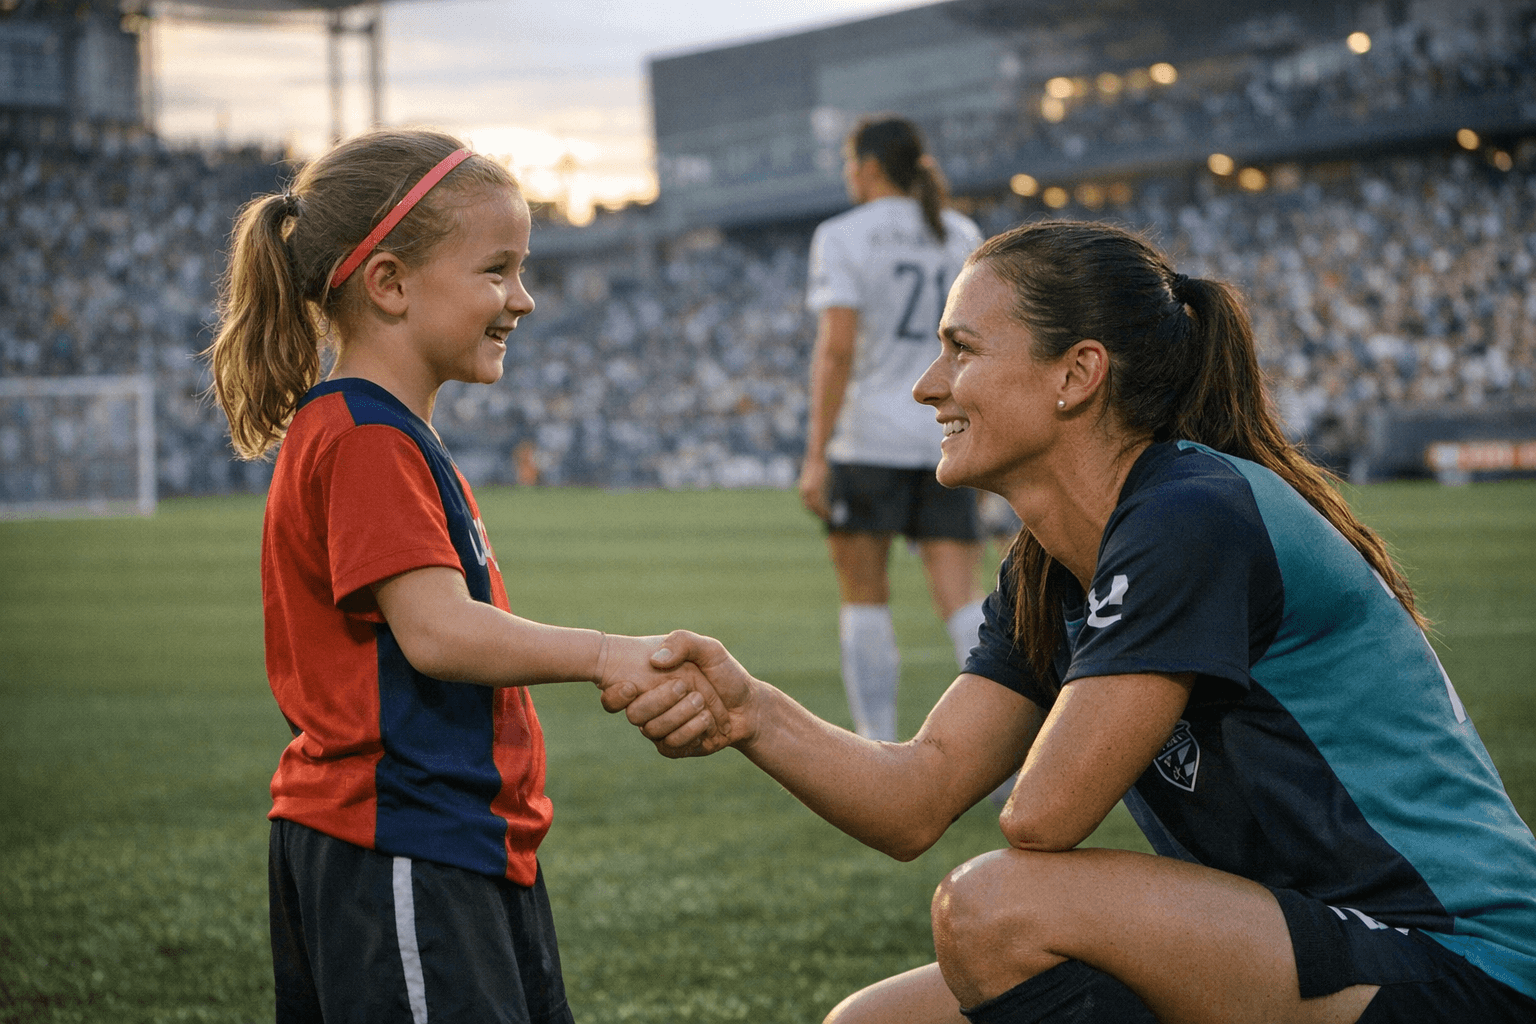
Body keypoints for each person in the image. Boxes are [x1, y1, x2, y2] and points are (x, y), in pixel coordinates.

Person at [624, 221, 1536, 1023]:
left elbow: (1043, 816)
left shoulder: (1190, 511)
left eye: (962, 350)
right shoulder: (1054, 562)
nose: (926, 386)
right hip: (1320, 941)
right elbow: (917, 798)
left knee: (997, 908)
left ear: (1076, 374)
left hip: (1460, 962)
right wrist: (752, 713)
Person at [205, 128, 716, 1023]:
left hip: (442, 840)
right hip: (399, 837)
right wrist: (606, 653)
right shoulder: (366, 437)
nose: (522, 297)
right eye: (498, 270)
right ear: (391, 283)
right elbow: (437, 633)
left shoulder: (382, 431)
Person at [799, 114, 988, 742]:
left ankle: (876, 747)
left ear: (871, 167)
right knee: (963, 602)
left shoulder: (842, 235)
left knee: (864, 596)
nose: (848, 175)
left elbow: (837, 350)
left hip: (869, 439)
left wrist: (815, 453)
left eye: (851, 163)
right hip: (947, 429)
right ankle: (998, 756)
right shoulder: (961, 233)